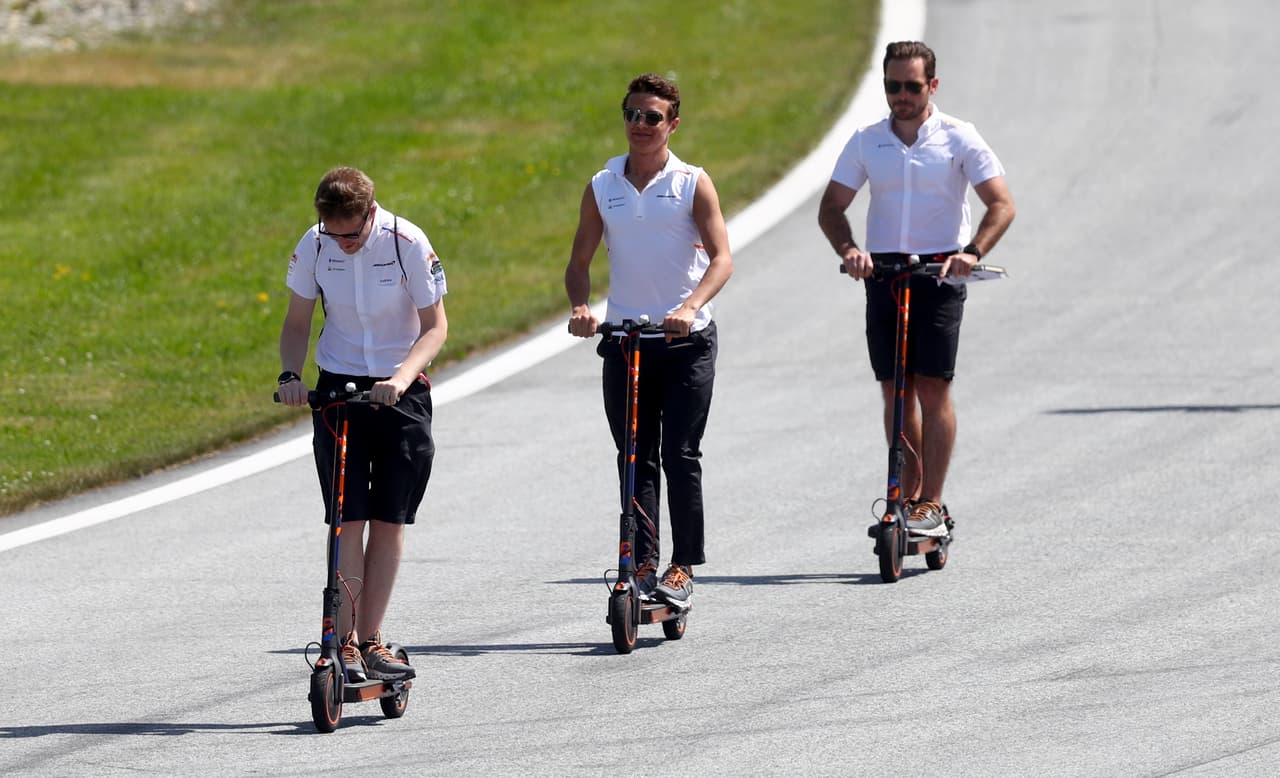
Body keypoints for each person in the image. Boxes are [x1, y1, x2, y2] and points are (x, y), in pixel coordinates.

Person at [817, 41, 1015, 537]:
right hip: (883, 274)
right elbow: (832, 207)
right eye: (892, 86)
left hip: (939, 274)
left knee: (932, 387)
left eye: (910, 86)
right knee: (895, 390)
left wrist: (970, 253)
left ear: (932, 85)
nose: (900, 96)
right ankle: (903, 497)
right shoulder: (867, 140)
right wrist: (849, 251)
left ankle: (932, 502)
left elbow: (1001, 204)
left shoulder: (958, 138)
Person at [565, 73, 734, 608]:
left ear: (673, 124)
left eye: (652, 117)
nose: (640, 125)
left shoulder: (692, 182)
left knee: (679, 452)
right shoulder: (603, 185)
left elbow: (722, 258)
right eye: (633, 115)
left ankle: (681, 567)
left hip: (685, 343)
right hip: (625, 341)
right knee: (633, 454)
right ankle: (640, 562)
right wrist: (581, 306)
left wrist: (689, 308)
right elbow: (579, 262)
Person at [277, 166, 448, 681]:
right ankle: (344, 642)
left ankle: (372, 637)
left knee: (388, 519)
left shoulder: (407, 242)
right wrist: (290, 374)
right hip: (339, 389)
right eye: (334, 233)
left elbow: (436, 326)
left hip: (400, 391)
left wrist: (400, 377)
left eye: (351, 234)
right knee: (346, 519)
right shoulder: (315, 243)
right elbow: (298, 321)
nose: (343, 244)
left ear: (370, 212)